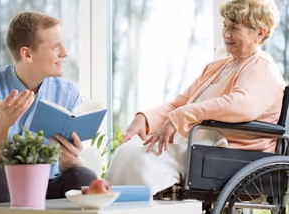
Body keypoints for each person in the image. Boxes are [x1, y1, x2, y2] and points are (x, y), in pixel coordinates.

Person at [106, 0, 285, 195]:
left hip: (225, 153)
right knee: (128, 149)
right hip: (198, 146)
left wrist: (182, 116)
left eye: (235, 28)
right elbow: (179, 104)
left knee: (140, 158)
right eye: (225, 25)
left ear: (260, 32)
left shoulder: (262, 66)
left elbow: (242, 105)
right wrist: (145, 118)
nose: (226, 34)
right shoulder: (218, 67)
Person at [0, 12, 97, 205]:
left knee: (83, 175)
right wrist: (1, 126)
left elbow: (69, 165)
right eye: (55, 47)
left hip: (43, 183)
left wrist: (70, 161)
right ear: (27, 54)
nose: (64, 52)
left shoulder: (67, 93)